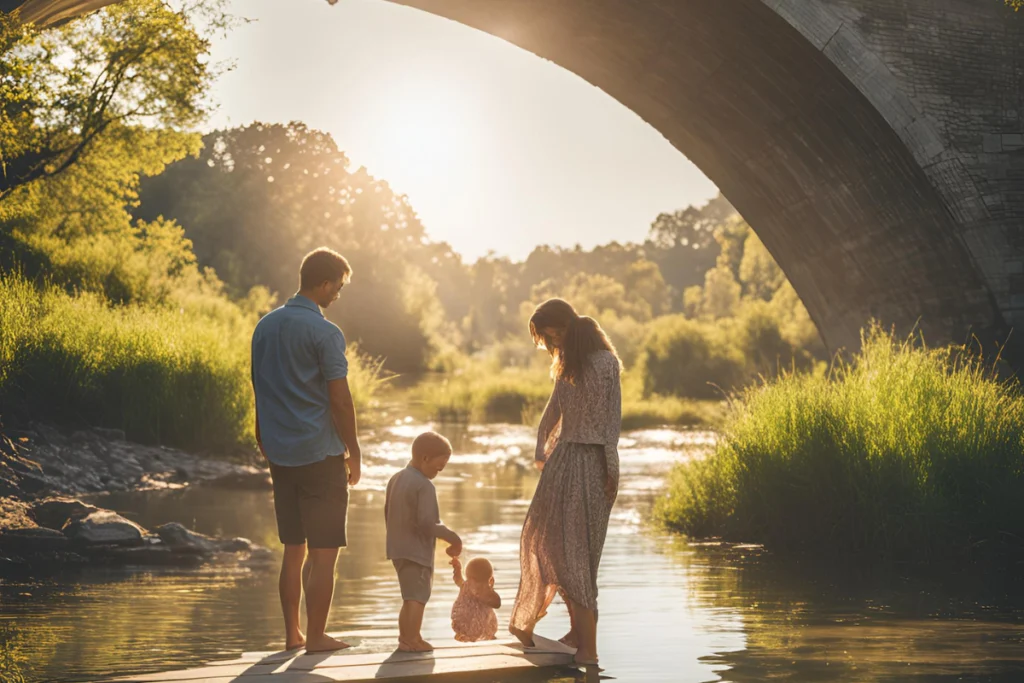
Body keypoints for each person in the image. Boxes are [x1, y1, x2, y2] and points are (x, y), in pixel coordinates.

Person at [250, 247, 361, 654]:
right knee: (324, 554)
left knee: (293, 550)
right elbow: (340, 400)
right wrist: (355, 452)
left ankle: (292, 634)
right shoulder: (325, 332)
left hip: (281, 455)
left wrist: (264, 438)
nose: (338, 294)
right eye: (338, 286)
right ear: (324, 283)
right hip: (320, 454)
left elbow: (259, 388)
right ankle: (316, 638)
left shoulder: (265, 326)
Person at [509, 298, 622, 668]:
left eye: (546, 334)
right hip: (564, 464)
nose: (546, 342)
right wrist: (541, 448)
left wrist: (611, 468)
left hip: (590, 465)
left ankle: (588, 649)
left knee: (579, 557)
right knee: (544, 541)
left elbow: (610, 423)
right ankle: (576, 633)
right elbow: (553, 409)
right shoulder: (566, 363)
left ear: (560, 327)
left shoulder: (605, 363)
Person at [385, 431, 463, 652]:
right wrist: (452, 537)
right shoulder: (424, 485)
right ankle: (411, 639)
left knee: (409, 596)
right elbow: (428, 524)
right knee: (418, 597)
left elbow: (387, 513)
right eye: (439, 467)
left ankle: (406, 638)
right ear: (425, 458)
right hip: (415, 551)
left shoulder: (396, 478)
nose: (439, 472)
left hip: (397, 548)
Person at [450, 556, 501, 642]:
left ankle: (465, 636)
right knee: (478, 628)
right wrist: (457, 569)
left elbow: (497, 603)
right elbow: (497, 603)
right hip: (474, 622)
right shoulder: (471, 586)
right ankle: (467, 636)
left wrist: (457, 569)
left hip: (473, 622)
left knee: (470, 628)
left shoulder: (467, 585)